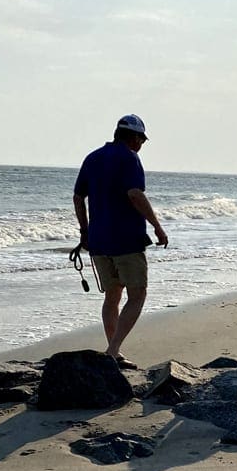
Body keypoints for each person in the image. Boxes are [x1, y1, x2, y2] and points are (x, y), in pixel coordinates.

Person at [73, 114, 168, 366]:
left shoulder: (92, 158)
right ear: (134, 137)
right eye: (142, 140)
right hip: (126, 239)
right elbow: (135, 194)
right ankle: (113, 351)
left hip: (99, 241)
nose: (142, 145)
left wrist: (85, 232)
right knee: (137, 294)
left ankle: (114, 352)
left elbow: (77, 197)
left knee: (112, 296)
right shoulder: (129, 158)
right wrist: (157, 227)